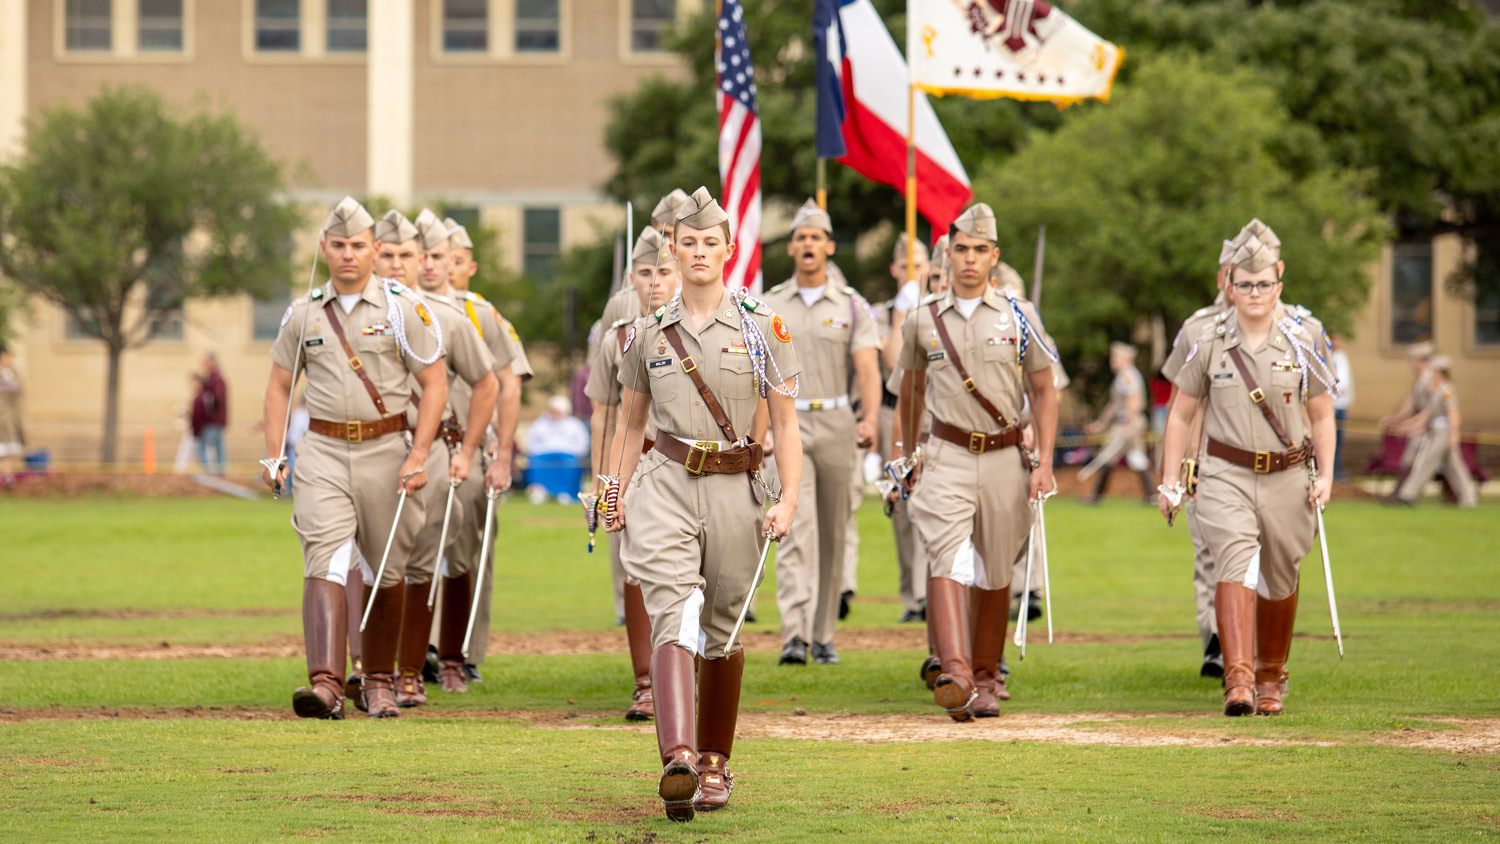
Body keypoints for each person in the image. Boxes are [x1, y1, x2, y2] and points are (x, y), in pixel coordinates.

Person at [603, 186, 802, 820]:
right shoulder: (645, 331)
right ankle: (679, 758)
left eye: (708, 243)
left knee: (723, 626)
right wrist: (614, 486)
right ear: (672, 248)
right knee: (670, 607)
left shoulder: (762, 324)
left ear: (729, 249)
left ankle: (715, 762)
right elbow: (631, 423)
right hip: (663, 481)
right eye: (685, 242)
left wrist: (790, 498)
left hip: (736, 485)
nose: (696, 252)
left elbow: (787, 423)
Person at [260, 196, 447, 720]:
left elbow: (434, 384)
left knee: (388, 568)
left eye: (358, 245)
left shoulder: (400, 306)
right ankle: (324, 683)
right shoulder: (303, 313)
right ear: (324, 248)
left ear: (376, 249)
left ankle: (380, 681)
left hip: (388, 449)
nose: (347, 254)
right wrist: (274, 455)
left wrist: (419, 451)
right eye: (338, 245)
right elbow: (279, 386)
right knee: (324, 558)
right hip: (322, 449)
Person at [1158, 221, 1339, 717]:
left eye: (1262, 284)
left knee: (1280, 574)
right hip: (1225, 472)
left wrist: (1325, 477)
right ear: (1228, 284)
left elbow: (1322, 413)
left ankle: (1269, 676)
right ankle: (1236, 679)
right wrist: (1171, 481)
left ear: (1278, 282)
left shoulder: (1306, 334)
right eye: (1244, 283)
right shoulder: (1204, 334)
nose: (1254, 293)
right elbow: (1181, 412)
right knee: (1233, 563)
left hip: (1287, 474)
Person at [894, 203, 1060, 721]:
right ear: (947, 254)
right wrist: (905, 454)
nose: (968, 259)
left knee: (994, 566)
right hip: (944, 453)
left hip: (1005, 455)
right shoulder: (921, 319)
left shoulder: (1018, 315)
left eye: (979, 250)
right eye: (959, 249)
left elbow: (1044, 390)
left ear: (994, 256)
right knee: (944, 555)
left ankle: (987, 676)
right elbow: (909, 391)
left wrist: (1045, 462)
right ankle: (957, 672)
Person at [380, 209, 500, 710]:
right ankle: (369, 671)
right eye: (388, 254)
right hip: (369, 448)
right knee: (367, 563)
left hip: (430, 451)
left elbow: (491, 383)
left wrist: (472, 450)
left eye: (413, 255)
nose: (401, 265)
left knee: (423, 559)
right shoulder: (346, 316)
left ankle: (413, 670)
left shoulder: (447, 317)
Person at [761, 200, 881, 666]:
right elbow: (758, 374)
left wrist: (869, 418)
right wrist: (762, 432)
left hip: (835, 423)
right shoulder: (770, 304)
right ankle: (794, 633)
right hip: (787, 425)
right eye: (801, 238)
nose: (808, 244)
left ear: (829, 247)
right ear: (791, 248)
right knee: (794, 525)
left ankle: (824, 632)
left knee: (833, 529)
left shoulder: (852, 305)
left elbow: (867, 369)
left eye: (817, 237)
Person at [585, 224, 680, 721]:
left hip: (686, 460)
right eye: (646, 272)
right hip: (634, 458)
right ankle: (646, 682)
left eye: (664, 271)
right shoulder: (618, 339)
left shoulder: (707, 328)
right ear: (632, 278)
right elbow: (605, 412)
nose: (655, 281)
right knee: (633, 567)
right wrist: (604, 477)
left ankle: (689, 673)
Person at [440, 216, 531, 687]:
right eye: (437, 256)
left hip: (470, 448)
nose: (445, 266)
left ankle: (465, 649)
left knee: (472, 548)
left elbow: (510, 386)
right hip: (422, 446)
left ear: (469, 266)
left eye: (454, 259)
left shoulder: (483, 314)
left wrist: (502, 454)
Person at [1159, 232, 1242, 679]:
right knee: (1208, 554)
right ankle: (1215, 642)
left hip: (1261, 464)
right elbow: (1183, 407)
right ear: (1222, 276)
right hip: (1207, 460)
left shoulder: (1285, 328)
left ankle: (1252, 645)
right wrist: (1180, 470)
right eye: (1235, 275)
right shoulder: (1199, 328)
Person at [1392, 356, 1477, 508]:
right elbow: (1426, 415)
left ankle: (1408, 495)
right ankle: (1469, 498)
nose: (1431, 374)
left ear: (1439, 372)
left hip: (1443, 432)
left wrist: (1453, 436)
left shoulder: (1447, 389)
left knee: (1426, 461)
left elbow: (1453, 415)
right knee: (1455, 467)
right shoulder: (1437, 390)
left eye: (1433, 371)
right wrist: (1408, 426)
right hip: (1436, 431)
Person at [1079, 342, 1154, 503]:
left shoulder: (1128, 376)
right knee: (1136, 456)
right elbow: (1113, 405)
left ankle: (1095, 495)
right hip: (1129, 422)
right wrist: (1100, 424)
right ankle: (1150, 495)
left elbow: (1132, 401)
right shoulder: (1123, 376)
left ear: (1125, 359)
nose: (1113, 360)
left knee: (1107, 455)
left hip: (1127, 422)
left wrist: (1128, 425)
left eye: (1116, 357)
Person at [1329, 334, 1355, 482]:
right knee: (1328, 438)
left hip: (1341, 404)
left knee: (1338, 440)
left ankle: (1336, 470)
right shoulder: (1324, 356)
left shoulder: (1341, 357)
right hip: (1329, 405)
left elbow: (1345, 384)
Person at [197, 353, 228, 475]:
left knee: (203, 446)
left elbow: (216, 400)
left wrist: (208, 413)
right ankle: (222, 472)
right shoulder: (211, 378)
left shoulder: (216, 379)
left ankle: (210, 472)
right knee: (218, 446)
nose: (204, 365)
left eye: (206, 362)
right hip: (215, 420)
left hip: (213, 420)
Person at [0, 345, 24, 478]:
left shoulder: (14, 374)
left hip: (9, 420)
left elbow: (20, 395)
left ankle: (8, 478)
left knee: (8, 451)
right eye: (6, 356)